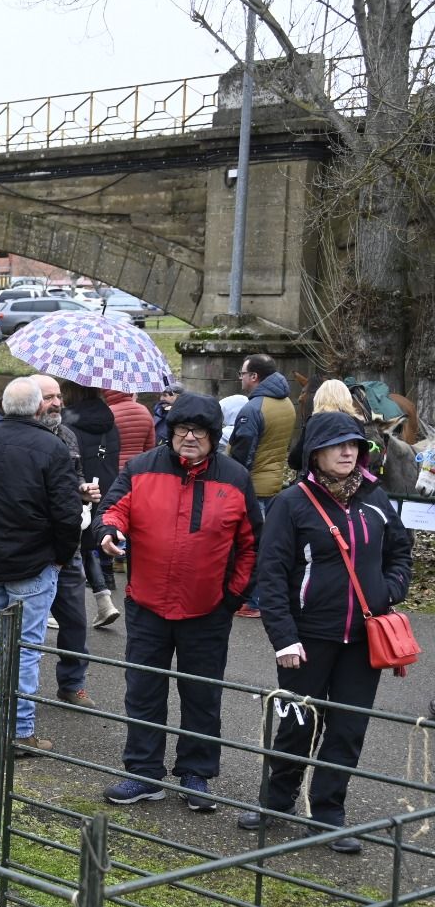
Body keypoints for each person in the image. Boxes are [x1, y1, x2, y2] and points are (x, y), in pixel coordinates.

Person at [241, 412, 413, 853]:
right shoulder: (292, 503)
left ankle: (327, 814)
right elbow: (271, 575)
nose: (347, 452)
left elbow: (400, 553)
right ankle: (276, 800)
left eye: (354, 444)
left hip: (363, 640)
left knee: (347, 729)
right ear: (315, 453)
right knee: (297, 724)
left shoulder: (376, 498)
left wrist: (387, 590)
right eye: (337, 445)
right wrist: (284, 638)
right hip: (307, 638)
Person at [98, 392, 261, 810]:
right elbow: (113, 509)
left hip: (207, 610)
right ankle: (144, 773)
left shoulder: (235, 478)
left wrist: (232, 596)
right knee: (143, 692)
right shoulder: (141, 468)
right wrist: (109, 532)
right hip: (147, 604)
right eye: (182, 429)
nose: (190, 438)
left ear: (214, 436)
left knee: (202, 695)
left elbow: (252, 544)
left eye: (199, 432)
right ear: (170, 431)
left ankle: (195, 774)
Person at [0, 376, 81, 754]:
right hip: (32, 561)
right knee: (25, 647)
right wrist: (61, 556)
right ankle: (19, 730)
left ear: (4, 405)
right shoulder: (51, 446)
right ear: (39, 406)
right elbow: (67, 513)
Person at [35, 376, 105, 706]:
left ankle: (72, 683)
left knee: (75, 619)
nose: (57, 403)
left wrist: (83, 489)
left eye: (58, 396)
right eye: (48, 397)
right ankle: (16, 688)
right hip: (32, 546)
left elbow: (75, 475)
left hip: (68, 543)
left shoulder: (67, 434)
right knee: (25, 623)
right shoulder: (21, 438)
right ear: (32, 401)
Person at [227, 354, 296, 619]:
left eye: (243, 374)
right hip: (274, 482)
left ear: (254, 377)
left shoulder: (253, 409)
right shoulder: (287, 403)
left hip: (253, 486)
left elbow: (243, 454)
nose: (241, 379)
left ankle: (254, 600)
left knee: (250, 546)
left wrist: (232, 484)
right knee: (268, 544)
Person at [63, 385, 122, 631]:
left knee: (78, 547)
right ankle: (104, 599)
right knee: (90, 543)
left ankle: (70, 607)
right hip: (108, 487)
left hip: (83, 489)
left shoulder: (68, 425)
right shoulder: (110, 423)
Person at [106, 388, 157, 469]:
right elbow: (150, 447)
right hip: (139, 467)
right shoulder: (144, 410)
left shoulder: (107, 413)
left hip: (114, 468)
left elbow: (103, 446)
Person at [152, 381, 184, 446]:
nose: (161, 398)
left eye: (165, 395)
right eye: (161, 395)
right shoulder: (159, 411)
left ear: (177, 397)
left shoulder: (182, 417)